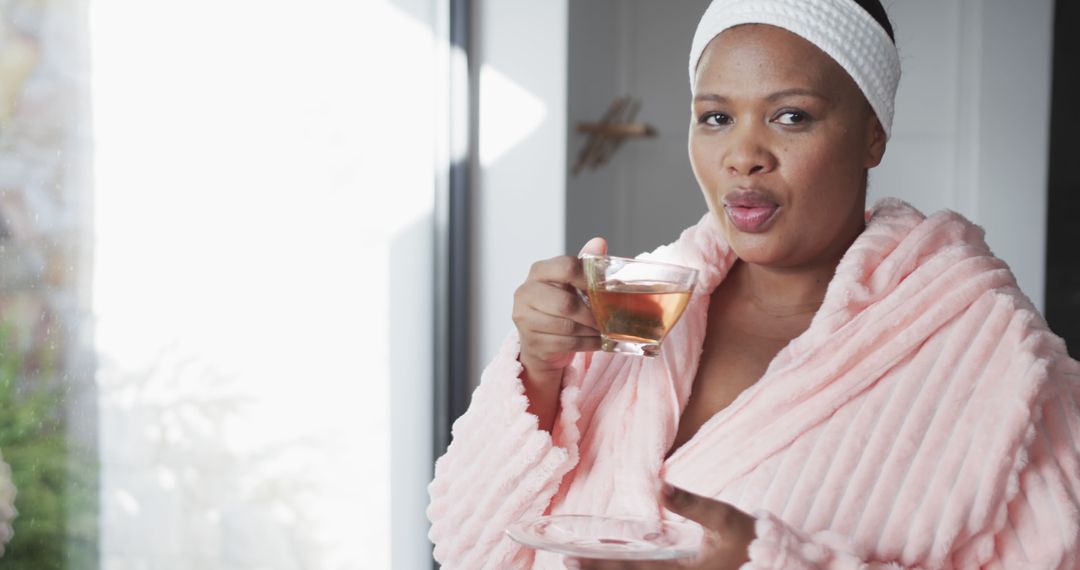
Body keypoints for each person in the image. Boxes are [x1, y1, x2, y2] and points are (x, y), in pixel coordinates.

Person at [427, 0, 1080, 568]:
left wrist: (763, 562)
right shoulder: (637, 304)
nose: (743, 154)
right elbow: (469, 547)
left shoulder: (991, 356)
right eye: (715, 118)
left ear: (872, 136)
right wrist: (538, 372)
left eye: (790, 116)